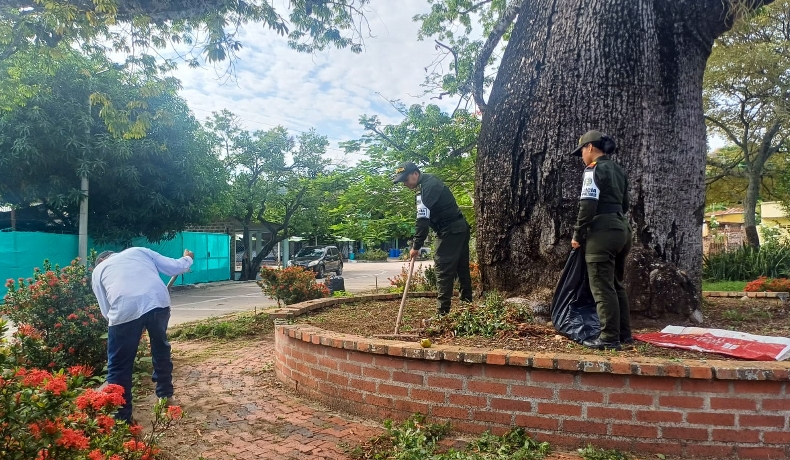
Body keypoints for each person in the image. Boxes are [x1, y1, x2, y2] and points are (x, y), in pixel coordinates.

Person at [91, 247, 194, 423]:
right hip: (158, 301)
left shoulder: (98, 270)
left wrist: (126, 326)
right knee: (160, 350)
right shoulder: (139, 251)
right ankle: (166, 397)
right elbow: (174, 266)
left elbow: (106, 311)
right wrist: (188, 259)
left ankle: (122, 419)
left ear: (100, 261)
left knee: (118, 365)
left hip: (124, 309)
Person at [570, 130, 633, 351]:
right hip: (622, 229)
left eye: (581, 151)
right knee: (615, 284)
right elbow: (625, 204)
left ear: (589, 147)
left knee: (602, 286)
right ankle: (624, 334)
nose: (581, 156)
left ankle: (609, 337)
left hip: (603, 233)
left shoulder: (593, 170)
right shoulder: (618, 170)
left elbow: (587, 205)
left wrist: (578, 234)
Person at [392, 162, 472, 315]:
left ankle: (442, 314)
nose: (405, 184)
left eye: (406, 179)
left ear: (415, 174)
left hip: (450, 230)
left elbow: (422, 220)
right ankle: (467, 309)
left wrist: (416, 246)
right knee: (461, 268)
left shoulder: (429, 187)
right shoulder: (427, 184)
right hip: (458, 228)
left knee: (443, 268)